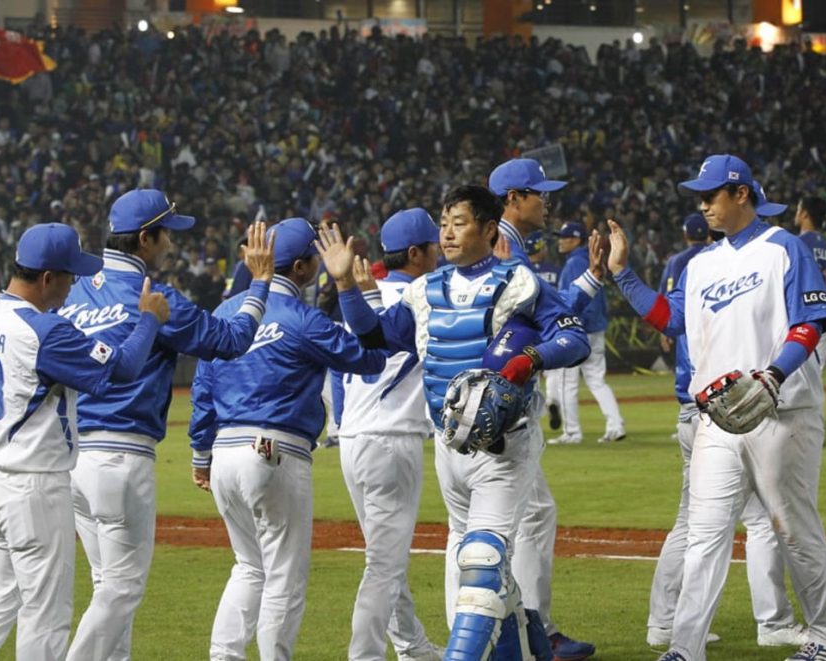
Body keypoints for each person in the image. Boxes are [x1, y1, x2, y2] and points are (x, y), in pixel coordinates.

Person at [319, 184, 591, 661]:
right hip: (450, 446)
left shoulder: (519, 282)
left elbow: (573, 339)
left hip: (505, 447)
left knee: (483, 558)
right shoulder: (425, 290)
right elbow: (377, 336)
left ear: (488, 228)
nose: (446, 232)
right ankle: (526, 650)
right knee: (479, 560)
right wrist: (345, 286)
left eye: (458, 222)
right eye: (443, 223)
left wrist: (531, 358)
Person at [608, 154, 826, 661]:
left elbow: (809, 322)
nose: (703, 205)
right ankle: (685, 647)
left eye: (711, 195)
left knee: (793, 529)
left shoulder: (785, 248)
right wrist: (622, 273)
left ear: (742, 195)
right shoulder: (700, 265)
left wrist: (772, 375)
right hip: (716, 417)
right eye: (700, 195)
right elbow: (670, 320)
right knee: (704, 534)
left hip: (783, 412)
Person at [59, 189, 276, 661]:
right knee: (122, 589)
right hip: (122, 455)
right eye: (166, 235)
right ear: (145, 239)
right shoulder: (156, 298)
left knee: (106, 587)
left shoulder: (70, 295)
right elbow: (232, 339)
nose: (172, 244)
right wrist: (259, 283)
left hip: (72, 456)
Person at [0, 223, 170, 660]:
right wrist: (148, 319)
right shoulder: (45, 331)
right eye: (70, 275)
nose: (75, 285)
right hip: (32, 485)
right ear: (47, 278)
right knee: (46, 615)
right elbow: (120, 370)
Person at [189, 218, 389, 661]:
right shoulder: (304, 319)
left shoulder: (225, 313)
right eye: (315, 262)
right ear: (300, 268)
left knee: (248, 567)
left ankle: (224, 657)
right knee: (283, 576)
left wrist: (200, 454)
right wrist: (349, 289)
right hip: (276, 451)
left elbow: (202, 390)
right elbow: (371, 359)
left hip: (224, 452)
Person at [489, 159, 600, 660]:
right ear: (513, 197)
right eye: (539, 192)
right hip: (503, 408)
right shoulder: (506, 248)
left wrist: (593, 278)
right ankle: (537, 634)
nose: (547, 201)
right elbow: (550, 321)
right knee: (530, 519)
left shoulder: (502, 245)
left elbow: (547, 308)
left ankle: (507, 632)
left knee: (486, 527)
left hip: (477, 408)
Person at [337, 208, 444, 661]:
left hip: (353, 439)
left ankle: (412, 646)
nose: (443, 250)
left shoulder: (365, 297)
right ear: (417, 253)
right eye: (435, 245)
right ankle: (364, 655)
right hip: (391, 438)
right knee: (384, 563)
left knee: (387, 556)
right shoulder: (426, 297)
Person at [548, 221, 624, 445]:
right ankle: (615, 425)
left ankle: (572, 432)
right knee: (597, 381)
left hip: (577, 330)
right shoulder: (588, 261)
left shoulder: (574, 263)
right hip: (596, 329)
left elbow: (581, 300)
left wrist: (572, 327)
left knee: (566, 382)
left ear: (576, 240)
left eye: (565, 237)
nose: (560, 241)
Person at [524, 230, 563, 432]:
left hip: (526, 327)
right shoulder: (555, 270)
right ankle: (553, 400)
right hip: (550, 324)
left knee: (526, 371)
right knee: (553, 370)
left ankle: (529, 414)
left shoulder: (523, 270)